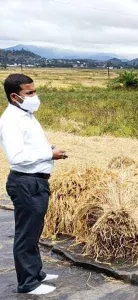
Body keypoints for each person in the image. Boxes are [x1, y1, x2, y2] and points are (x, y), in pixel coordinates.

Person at [0, 74, 68, 295]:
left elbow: (31, 146)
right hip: (26, 183)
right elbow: (17, 156)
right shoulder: (10, 120)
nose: (34, 96)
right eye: (29, 93)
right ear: (14, 96)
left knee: (35, 230)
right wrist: (49, 153)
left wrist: (48, 150)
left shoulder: (26, 114)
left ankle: (36, 273)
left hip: (35, 182)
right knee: (26, 234)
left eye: (34, 91)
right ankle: (28, 283)